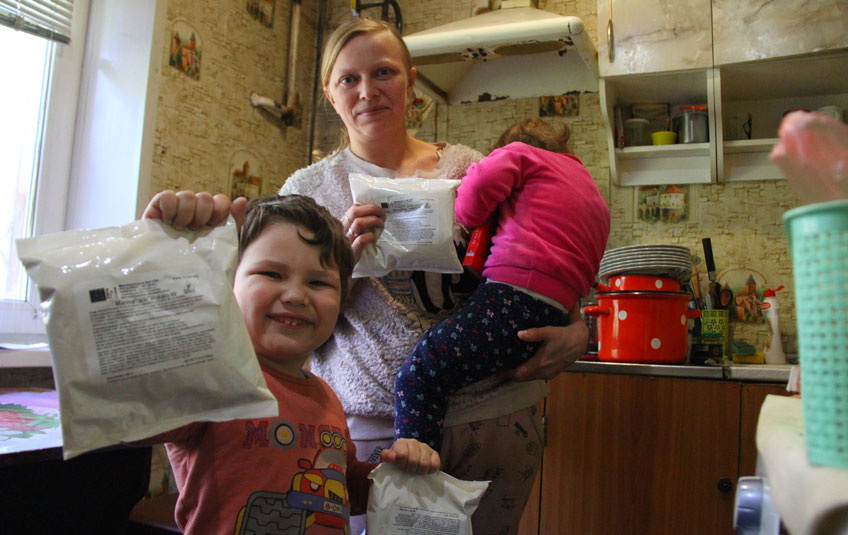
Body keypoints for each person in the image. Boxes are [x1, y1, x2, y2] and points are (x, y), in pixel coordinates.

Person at [143, 17, 590, 535]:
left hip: (495, 418)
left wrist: (580, 329)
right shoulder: (310, 188)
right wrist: (341, 260)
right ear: (329, 95)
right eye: (348, 79)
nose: (367, 91)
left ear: (411, 82)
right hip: (368, 432)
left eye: (383, 73)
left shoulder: (470, 168)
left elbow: (540, 253)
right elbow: (270, 310)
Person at [140, 194, 440, 535]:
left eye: (318, 282)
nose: (296, 296)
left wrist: (394, 473)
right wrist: (157, 264)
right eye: (271, 273)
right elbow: (121, 407)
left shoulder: (326, 395)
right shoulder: (209, 379)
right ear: (226, 283)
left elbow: (340, 488)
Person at [394, 118, 610, 449]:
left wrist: (464, 216)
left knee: (423, 371)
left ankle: (416, 465)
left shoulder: (522, 154)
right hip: (552, 314)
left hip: (512, 298)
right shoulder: (590, 188)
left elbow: (481, 181)